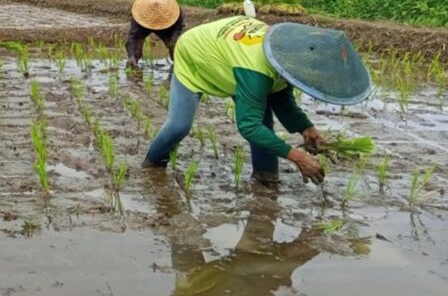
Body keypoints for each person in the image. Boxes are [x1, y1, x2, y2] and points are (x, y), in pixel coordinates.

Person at [143, 16, 372, 186]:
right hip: (197, 51)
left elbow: (282, 98)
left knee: (263, 113)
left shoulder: (286, 56)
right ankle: (151, 166)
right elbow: (248, 126)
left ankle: (265, 179)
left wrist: (306, 128)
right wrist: (297, 156)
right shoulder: (256, 70)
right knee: (179, 125)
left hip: (233, 53)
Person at [126, 0, 184, 69]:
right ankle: (133, 66)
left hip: (166, 26)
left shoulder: (174, 12)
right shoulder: (139, 14)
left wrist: (173, 40)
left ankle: (178, 67)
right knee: (135, 51)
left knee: (175, 49)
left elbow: (178, 27)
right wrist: (131, 55)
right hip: (144, 24)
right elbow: (133, 37)